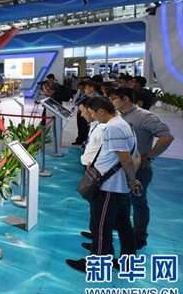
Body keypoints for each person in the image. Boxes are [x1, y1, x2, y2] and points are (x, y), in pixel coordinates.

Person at [66, 97, 142, 272]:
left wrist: (132, 179)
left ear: (101, 111)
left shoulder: (114, 127)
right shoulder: (123, 123)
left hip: (109, 187)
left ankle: (96, 263)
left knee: (101, 227)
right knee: (124, 225)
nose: (92, 116)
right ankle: (127, 262)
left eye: (93, 113)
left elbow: (125, 158)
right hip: (118, 186)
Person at [109, 86, 174, 250]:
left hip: (140, 169)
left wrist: (150, 156)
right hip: (120, 168)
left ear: (125, 99)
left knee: (138, 203)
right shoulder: (118, 116)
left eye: (114, 98)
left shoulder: (145, 116)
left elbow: (167, 137)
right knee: (119, 201)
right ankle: (118, 231)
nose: (111, 101)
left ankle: (139, 236)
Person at [77, 97, 108, 249]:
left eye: (84, 112)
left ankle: (99, 246)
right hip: (91, 169)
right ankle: (95, 233)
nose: (83, 115)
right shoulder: (95, 125)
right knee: (94, 207)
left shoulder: (103, 128)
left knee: (99, 210)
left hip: (98, 173)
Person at [72, 81, 101, 146]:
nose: (84, 90)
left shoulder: (97, 98)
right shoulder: (85, 96)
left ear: (92, 88)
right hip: (83, 115)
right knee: (82, 128)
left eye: (86, 88)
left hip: (91, 119)